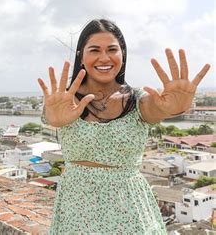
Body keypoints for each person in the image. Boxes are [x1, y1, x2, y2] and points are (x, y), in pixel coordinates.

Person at [38, 19, 211, 234]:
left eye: (112, 49)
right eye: (95, 50)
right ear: (81, 56)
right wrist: (54, 116)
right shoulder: (65, 99)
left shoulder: (137, 100)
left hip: (130, 209)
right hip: (76, 208)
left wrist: (174, 107)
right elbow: (53, 117)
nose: (104, 58)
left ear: (123, 55)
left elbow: (156, 108)